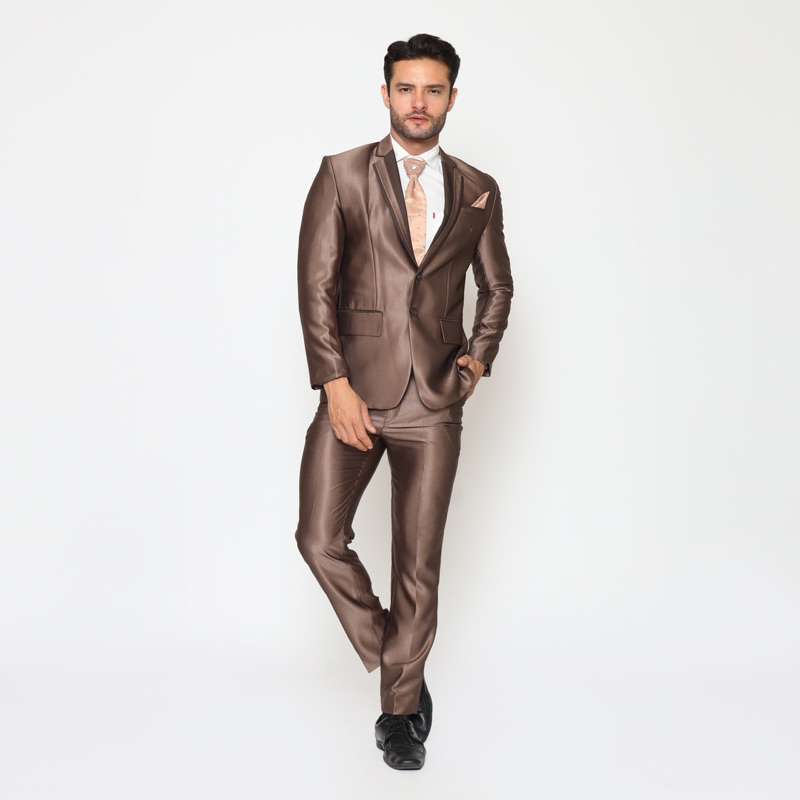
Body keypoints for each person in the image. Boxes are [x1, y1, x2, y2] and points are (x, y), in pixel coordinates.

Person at [294, 32, 513, 770]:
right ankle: (403, 665)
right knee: (319, 538)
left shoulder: (478, 186)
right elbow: (316, 285)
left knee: (418, 565)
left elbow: (498, 284)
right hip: (355, 391)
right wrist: (335, 385)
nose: (419, 102)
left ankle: (398, 718)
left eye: (433, 90)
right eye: (406, 88)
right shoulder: (342, 173)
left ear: (451, 98)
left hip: (436, 400)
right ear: (385, 93)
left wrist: (477, 358)